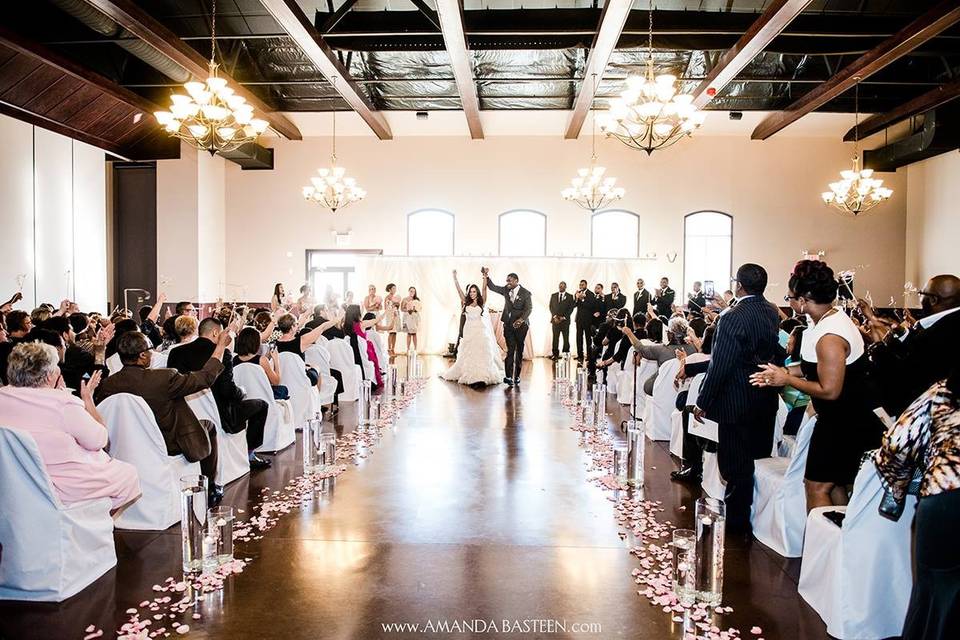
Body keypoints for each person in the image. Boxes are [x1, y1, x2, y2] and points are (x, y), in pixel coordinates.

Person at [752, 260, 884, 511]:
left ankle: (820, 545)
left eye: (789, 297)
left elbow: (830, 390)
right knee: (832, 486)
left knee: (816, 487)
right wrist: (783, 370)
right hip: (839, 419)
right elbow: (814, 366)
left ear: (802, 300)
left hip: (844, 422)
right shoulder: (825, 321)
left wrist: (786, 380)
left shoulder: (830, 336)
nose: (789, 302)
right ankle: (836, 545)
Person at [693, 264, 784, 534]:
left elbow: (720, 365)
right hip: (764, 396)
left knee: (734, 467)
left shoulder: (732, 317)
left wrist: (702, 401)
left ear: (739, 286)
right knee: (756, 458)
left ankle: (736, 523)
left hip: (735, 400)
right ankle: (754, 519)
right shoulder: (771, 311)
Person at [0, 343, 140, 511]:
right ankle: (90, 521)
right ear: (50, 374)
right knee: (128, 474)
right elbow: (100, 440)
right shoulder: (62, 404)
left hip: (13, 482)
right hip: (61, 486)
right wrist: (87, 399)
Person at [874, 368, 960, 640]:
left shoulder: (945, 390)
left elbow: (897, 443)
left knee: (934, 599)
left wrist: (898, 489)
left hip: (948, 497)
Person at [96, 330, 228, 505]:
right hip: (168, 444)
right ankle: (209, 486)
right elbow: (205, 378)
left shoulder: (107, 385)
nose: (153, 353)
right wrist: (220, 347)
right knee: (208, 426)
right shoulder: (164, 378)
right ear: (142, 356)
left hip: (127, 445)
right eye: (151, 349)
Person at [166, 317, 271, 470]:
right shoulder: (224, 354)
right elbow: (227, 391)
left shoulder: (175, 352)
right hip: (221, 415)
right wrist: (241, 392)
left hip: (184, 415)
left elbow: (173, 384)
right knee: (261, 405)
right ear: (216, 333)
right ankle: (250, 454)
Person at [864, 274, 960, 417]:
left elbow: (903, 379)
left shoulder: (939, 334)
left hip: (925, 413)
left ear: (933, 300)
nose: (920, 298)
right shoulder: (949, 323)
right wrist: (896, 337)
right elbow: (915, 352)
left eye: (921, 294)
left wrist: (878, 346)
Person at [442, 270, 503, 387]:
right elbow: (459, 291)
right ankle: (470, 374)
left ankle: (482, 375)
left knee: (481, 351)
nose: (472, 293)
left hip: (480, 330)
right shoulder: (466, 302)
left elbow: (485, 289)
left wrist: (485, 277)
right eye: (470, 292)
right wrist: (455, 278)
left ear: (477, 293)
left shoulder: (482, 302)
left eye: (474, 292)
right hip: (469, 330)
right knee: (469, 352)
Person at [622, 316, 698, 395]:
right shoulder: (694, 349)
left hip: (663, 392)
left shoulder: (662, 350)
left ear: (670, 334)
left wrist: (629, 333)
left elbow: (641, 348)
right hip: (685, 392)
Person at [484, 268, 533, 387]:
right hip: (508, 325)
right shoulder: (506, 289)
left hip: (521, 326)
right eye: (506, 280)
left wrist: (521, 320)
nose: (507, 282)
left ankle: (517, 376)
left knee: (519, 350)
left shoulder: (526, 293)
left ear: (516, 280)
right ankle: (508, 376)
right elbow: (493, 287)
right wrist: (486, 275)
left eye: (510, 280)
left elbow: (529, 309)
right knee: (510, 349)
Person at [234, 327, 287, 401]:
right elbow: (276, 382)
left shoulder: (234, 359)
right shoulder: (262, 360)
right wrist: (276, 360)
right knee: (283, 389)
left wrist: (266, 357)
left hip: (242, 396)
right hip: (261, 396)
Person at [343, 304, 383, 387]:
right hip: (362, 351)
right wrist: (387, 311)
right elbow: (376, 320)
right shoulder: (362, 324)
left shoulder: (345, 325)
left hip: (349, 352)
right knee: (373, 359)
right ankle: (370, 381)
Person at [549, 281, 575, 360]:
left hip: (565, 321)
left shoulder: (570, 296)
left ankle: (565, 354)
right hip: (555, 320)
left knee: (566, 338)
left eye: (563, 286)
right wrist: (555, 317)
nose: (561, 287)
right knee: (555, 338)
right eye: (560, 286)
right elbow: (551, 307)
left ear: (565, 287)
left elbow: (571, 308)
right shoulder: (553, 295)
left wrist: (563, 317)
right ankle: (555, 354)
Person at [573, 280, 596, 362]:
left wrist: (582, 299)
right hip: (579, 319)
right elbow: (573, 305)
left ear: (586, 285)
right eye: (580, 284)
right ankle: (580, 355)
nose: (581, 286)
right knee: (578, 337)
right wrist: (576, 298)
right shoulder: (577, 293)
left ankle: (589, 356)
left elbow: (591, 306)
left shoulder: (590, 294)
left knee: (588, 338)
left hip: (588, 319)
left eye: (582, 284)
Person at [381, 283, 402, 355]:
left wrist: (396, 306)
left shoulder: (396, 297)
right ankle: (389, 349)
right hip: (390, 315)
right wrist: (392, 305)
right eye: (393, 288)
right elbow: (385, 308)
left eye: (395, 288)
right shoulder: (387, 297)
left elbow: (398, 306)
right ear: (389, 289)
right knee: (391, 332)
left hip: (396, 315)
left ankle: (393, 349)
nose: (394, 290)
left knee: (395, 332)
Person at [401, 287, 422, 353]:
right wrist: (408, 310)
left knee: (414, 333)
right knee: (409, 333)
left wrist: (415, 310)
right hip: (407, 317)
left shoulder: (417, 299)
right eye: (411, 291)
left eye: (413, 291)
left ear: (415, 292)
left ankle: (415, 349)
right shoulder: (405, 299)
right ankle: (408, 349)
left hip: (414, 317)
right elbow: (402, 309)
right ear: (408, 291)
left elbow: (420, 308)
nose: (412, 292)